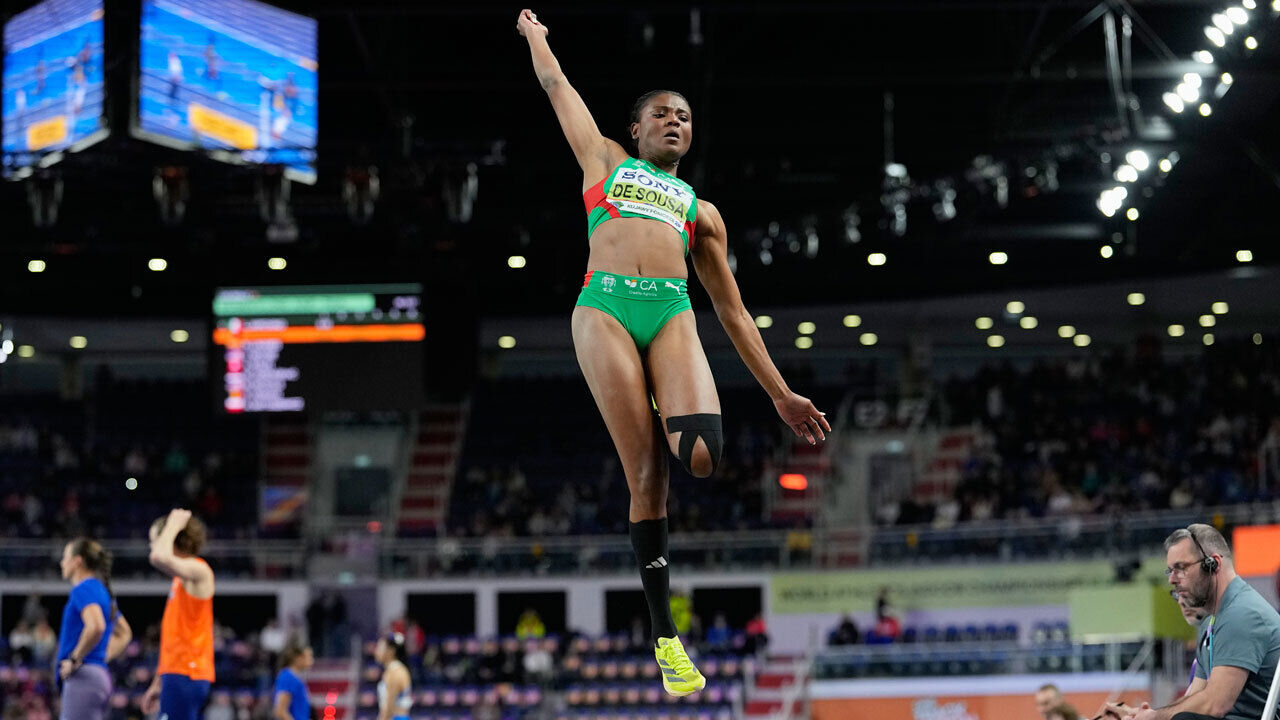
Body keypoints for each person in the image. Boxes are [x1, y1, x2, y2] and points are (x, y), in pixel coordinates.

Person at [516, 7, 829, 697]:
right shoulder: (603, 158)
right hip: (604, 308)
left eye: (683, 115)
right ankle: (665, 637)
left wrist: (780, 393)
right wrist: (536, 37)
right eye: (660, 113)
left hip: (670, 310)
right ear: (636, 128)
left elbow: (735, 313)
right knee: (650, 477)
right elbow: (557, 85)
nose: (673, 120)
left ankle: (664, 393)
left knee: (703, 457)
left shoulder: (700, 212)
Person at [1103, 524, 1280, 720]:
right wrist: (1147, 715)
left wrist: (1155, 717)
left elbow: (1215, 704)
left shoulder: (1242, 615)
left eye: (1180, 568)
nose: (1172, 579)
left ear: (1213, 564)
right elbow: (1195, 698)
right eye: (1170, 570)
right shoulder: (1211, 623)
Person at [141, 509, 216, 720]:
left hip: (187, 673)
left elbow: (158, 557)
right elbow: (173, 640)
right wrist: (158, 682)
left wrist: (173, 524)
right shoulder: (179, 580)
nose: (152, 546)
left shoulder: (200, 572)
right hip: (175, 675)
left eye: (154, 540)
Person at [57, 538, 133, 720]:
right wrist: (98, 658)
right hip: (94, 676)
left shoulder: (84, 588)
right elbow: (124, 633)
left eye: (65, 557)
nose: (61, 562)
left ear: (77, 562)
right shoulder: (100, 590)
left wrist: (76, 659)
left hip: (83, 678)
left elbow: (96, 625)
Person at [375, 632, 412, 720]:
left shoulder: (395, 672)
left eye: (380, 648)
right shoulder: (392, 670)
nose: (376, 651)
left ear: (391, 651)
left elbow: (389, 707)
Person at [271, 642, 313, 720]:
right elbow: (280, 711)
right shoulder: (287, 677)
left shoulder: (294, 678)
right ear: (298, 658)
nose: (312, 661)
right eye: (309, 657)